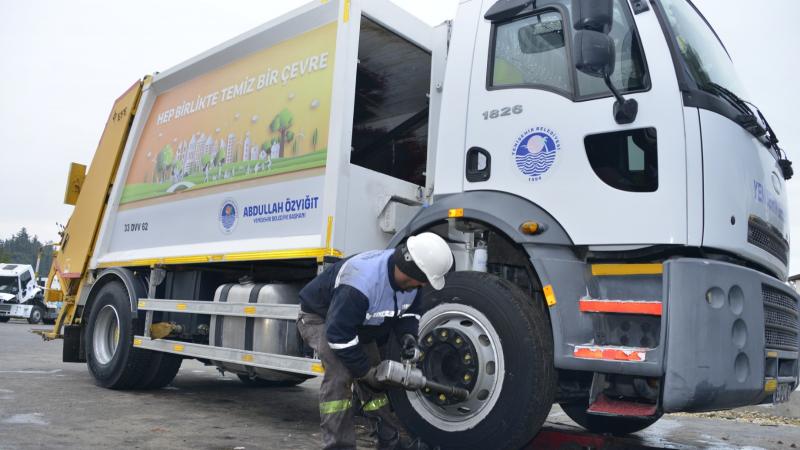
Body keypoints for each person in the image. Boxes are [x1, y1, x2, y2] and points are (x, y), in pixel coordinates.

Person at [297, 232, 454, 450]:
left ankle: (389, 442)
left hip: (359, 324)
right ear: (412, 272)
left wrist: (408, 337)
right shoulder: (361, 282)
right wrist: (364, 371)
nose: (423, 286)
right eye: (423, 280)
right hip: (321, 319)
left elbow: (409, 313)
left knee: (379, 379)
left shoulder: (412, 284)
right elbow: (338, 335)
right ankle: (338, 446)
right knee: (341, 374)